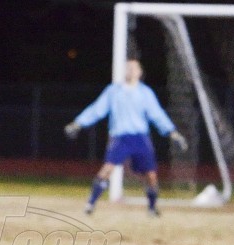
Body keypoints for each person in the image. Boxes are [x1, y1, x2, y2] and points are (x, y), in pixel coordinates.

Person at [64, 58, 188, 216]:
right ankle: (90, 204)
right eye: (128, 68)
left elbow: (157, 114)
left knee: (150, 175)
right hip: (120, 138)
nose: (130, 70)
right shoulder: (113, 91)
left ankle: (152, 208)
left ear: (140, 72)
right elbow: (97, 109)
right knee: (107, 169)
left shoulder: (145, 93)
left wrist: (172, 133)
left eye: (134, 68)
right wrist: (78, 123)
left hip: (140, 138)